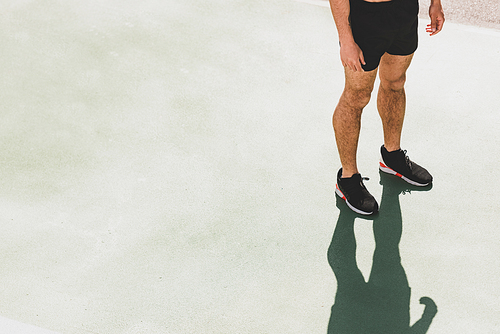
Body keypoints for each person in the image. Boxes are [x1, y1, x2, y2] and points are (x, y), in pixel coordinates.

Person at [328, 0, 445, 215]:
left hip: (404, 11)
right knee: (357, 97)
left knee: (395, 83)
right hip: (365, 16)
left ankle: (392, 157)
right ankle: (348, 178)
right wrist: (346, 39)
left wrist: (435, 3)